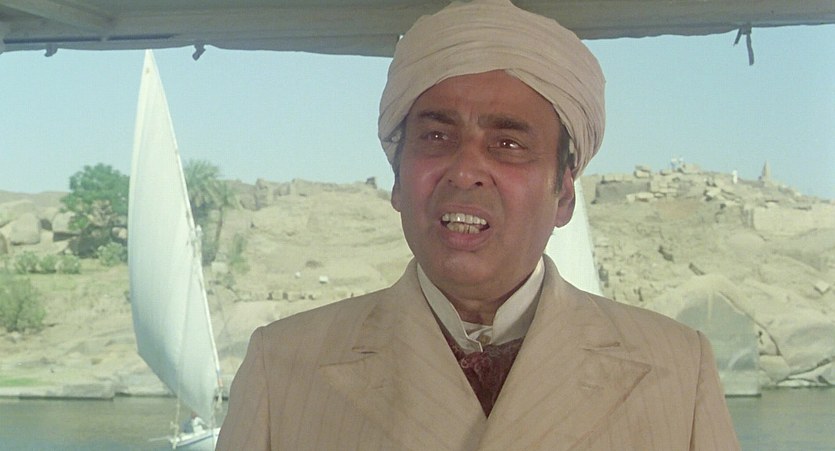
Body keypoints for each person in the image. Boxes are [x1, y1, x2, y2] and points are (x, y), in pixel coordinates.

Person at [216, 0, 740, 449]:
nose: (465, 170)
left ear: (563, 194)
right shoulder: (282, 367)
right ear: (397, 180)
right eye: (437, 137)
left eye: (508, 144)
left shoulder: (677, 368)